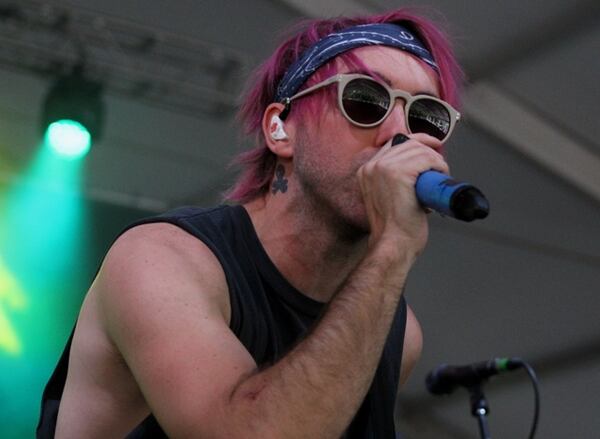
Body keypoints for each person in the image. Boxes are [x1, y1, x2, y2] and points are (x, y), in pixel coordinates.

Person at [37, 7, 463, 438]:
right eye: (365, 100)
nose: (399, 134)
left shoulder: (397, 332)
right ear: (280, 128)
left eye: (426, 116)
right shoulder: (162, 260)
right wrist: (392, 249)